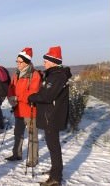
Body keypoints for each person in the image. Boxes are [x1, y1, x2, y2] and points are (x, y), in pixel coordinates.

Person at [28, 46, 72, 186]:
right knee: (52, 146)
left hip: (52, 117)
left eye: (46, 61)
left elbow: (47, 95)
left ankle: (56, 178)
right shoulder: (54, 74)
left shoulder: (57, 76)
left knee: (54, 147)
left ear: (53, 62)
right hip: (50, 116)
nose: (44, 63)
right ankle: (55, 171)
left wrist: (33, 97)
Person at [5, 47, 41, 168]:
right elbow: (10, 87)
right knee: (17, 134)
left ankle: (33, 159)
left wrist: (17, 97)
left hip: (30, 111)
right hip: (18, 109)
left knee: (32, 136)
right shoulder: (16, 74)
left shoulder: (34, 75)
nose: (18, 64)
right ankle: (16, 154)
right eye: (17, 61)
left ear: (27, 62)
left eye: (20, 62)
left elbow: (32, 93)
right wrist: (10, 98)